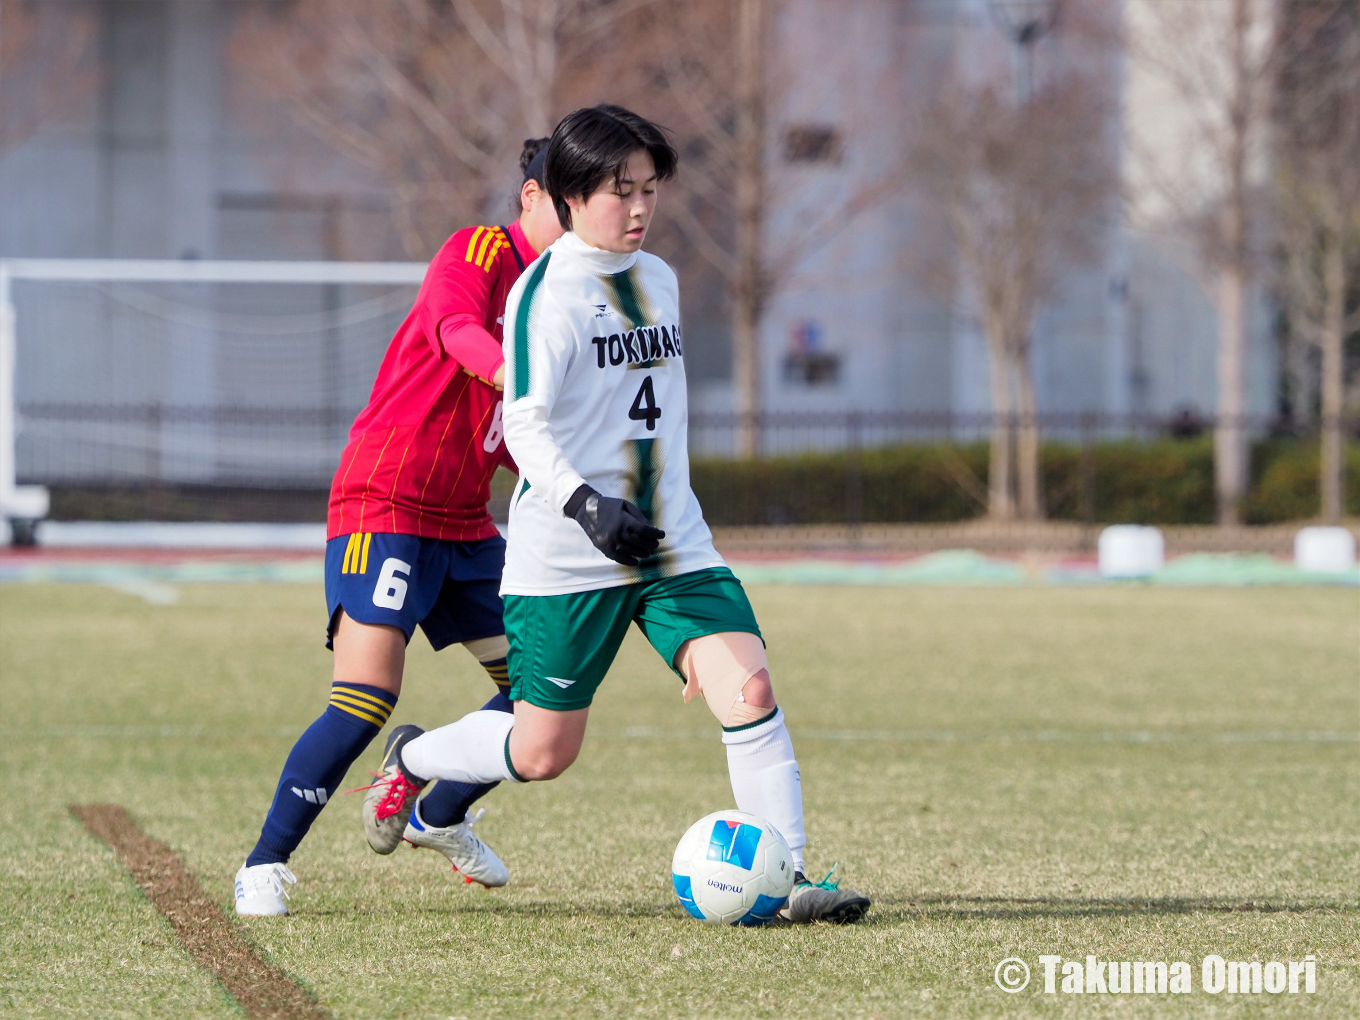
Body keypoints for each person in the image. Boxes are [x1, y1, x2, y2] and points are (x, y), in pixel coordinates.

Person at [361, 105, 870, 924]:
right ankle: (415, 759)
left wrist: (648, 507)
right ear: (565, 197)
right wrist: (591, 506)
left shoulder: (659, 279)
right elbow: (523, 422)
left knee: (749, 687)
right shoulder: (542, 297)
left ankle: (787, 878)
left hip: (671, 545)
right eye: (616, 191)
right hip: (568, 554)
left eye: (647, 189)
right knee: (542, 751)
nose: (637, 208)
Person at [233, 140, 566, 917]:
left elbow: (518, 438)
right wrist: (513, 372)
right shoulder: (479, 250)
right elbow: (454, 329)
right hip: (385, 502)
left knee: (543, 691)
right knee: (365, 696)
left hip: (466, 523)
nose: (585, 214)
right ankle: (263, 864)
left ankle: (434, 811)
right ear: (530, 198)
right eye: (568, 197)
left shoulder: (566, 294)